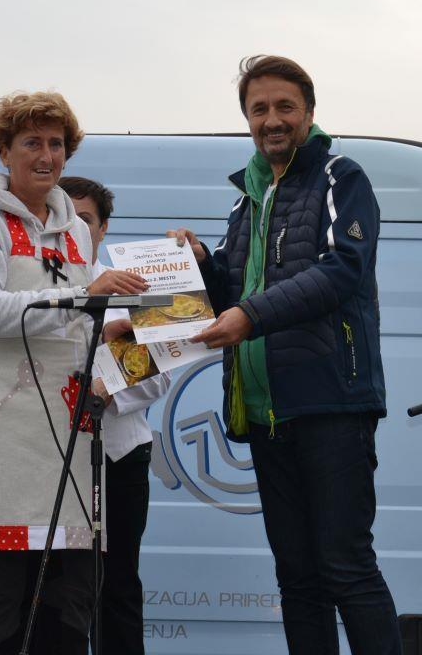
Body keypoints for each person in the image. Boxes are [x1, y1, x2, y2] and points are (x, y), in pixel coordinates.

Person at [170, 56, 402, 653]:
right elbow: (231, 288)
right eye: (259, 109)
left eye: (284, 107)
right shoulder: (247, 199)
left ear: (309, 112)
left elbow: (341, 269)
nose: (271, 120)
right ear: (247, 119)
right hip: (266, 413)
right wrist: (200, 262)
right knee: (298, 580)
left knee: (346, 568)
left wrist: (251, 316)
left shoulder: (341, 178)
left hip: (331, 404)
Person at [0, 92, 148, 654]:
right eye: (31, 142)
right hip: (0, 435)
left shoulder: (74, 228)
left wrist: (112, 326)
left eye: (57, 144)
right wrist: (86, 299)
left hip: (70, 437)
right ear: (3, 150)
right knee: (0, 599)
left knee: (69, 599)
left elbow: (71, 324)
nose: (47, 155)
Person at [59, 176, 170, 655]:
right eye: (65, 218)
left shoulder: (133, 288)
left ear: (103, 228)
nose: (75, 228)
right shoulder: (36, 289)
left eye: (85, 219)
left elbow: (160, 376)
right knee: (57, 587)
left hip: (119, 457)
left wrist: (103, 387)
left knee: (117, 584)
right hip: (51, 458)